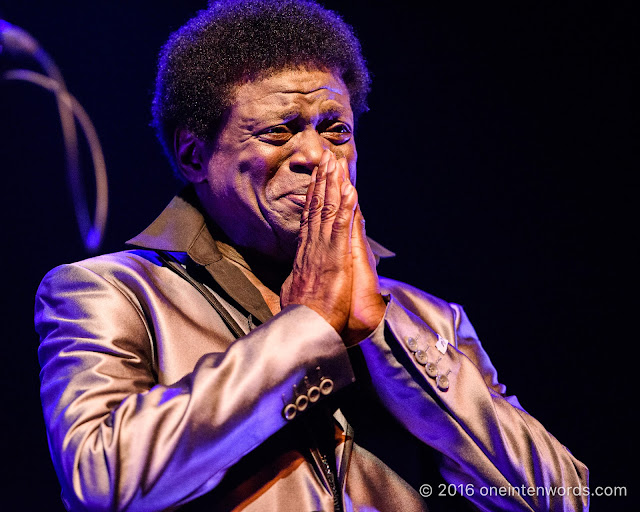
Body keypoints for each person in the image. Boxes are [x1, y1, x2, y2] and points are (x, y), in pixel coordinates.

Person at [35, 1, 589, 510]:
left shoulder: (432, 320)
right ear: (192, 154)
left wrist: (384, 334)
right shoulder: (112, 293)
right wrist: (307, 329)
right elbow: (103, 480)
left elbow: (562, 498)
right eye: (280, 131)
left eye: (336, 130)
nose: (318, 157)